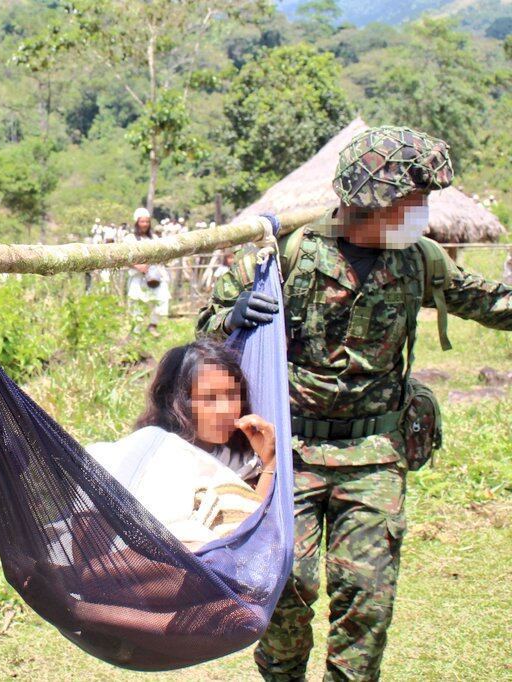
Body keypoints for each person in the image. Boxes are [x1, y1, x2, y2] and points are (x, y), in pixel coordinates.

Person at [197, 126, 512, 682]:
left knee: (366, 599)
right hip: (287, 453)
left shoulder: (421, 260)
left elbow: (494, 303)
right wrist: (234, 316)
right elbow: (206, 334)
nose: (423, 212)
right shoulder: (286, 258)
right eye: (415, 202)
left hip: (375, 453)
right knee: (285, 583)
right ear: (377, 199)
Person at [87, 339, 277, 550]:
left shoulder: (241, 462)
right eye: (210, 398)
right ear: (176, 402)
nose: (226, 409)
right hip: (131, 559)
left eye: (233, 395)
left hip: (197, 569)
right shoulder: (154, 447)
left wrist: (269, 463)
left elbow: (252, 534)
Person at [124, 207, 171, 333]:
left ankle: (153, 325)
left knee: (162, 299)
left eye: (147, 222)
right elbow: (124, 257)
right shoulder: (130, 238)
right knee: (136, 302)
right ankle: (136, 330)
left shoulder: (154, 238)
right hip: (138, 276)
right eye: (142, 221)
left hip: (154, 274)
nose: (145, 224)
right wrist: (137, 266)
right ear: (137, 222)